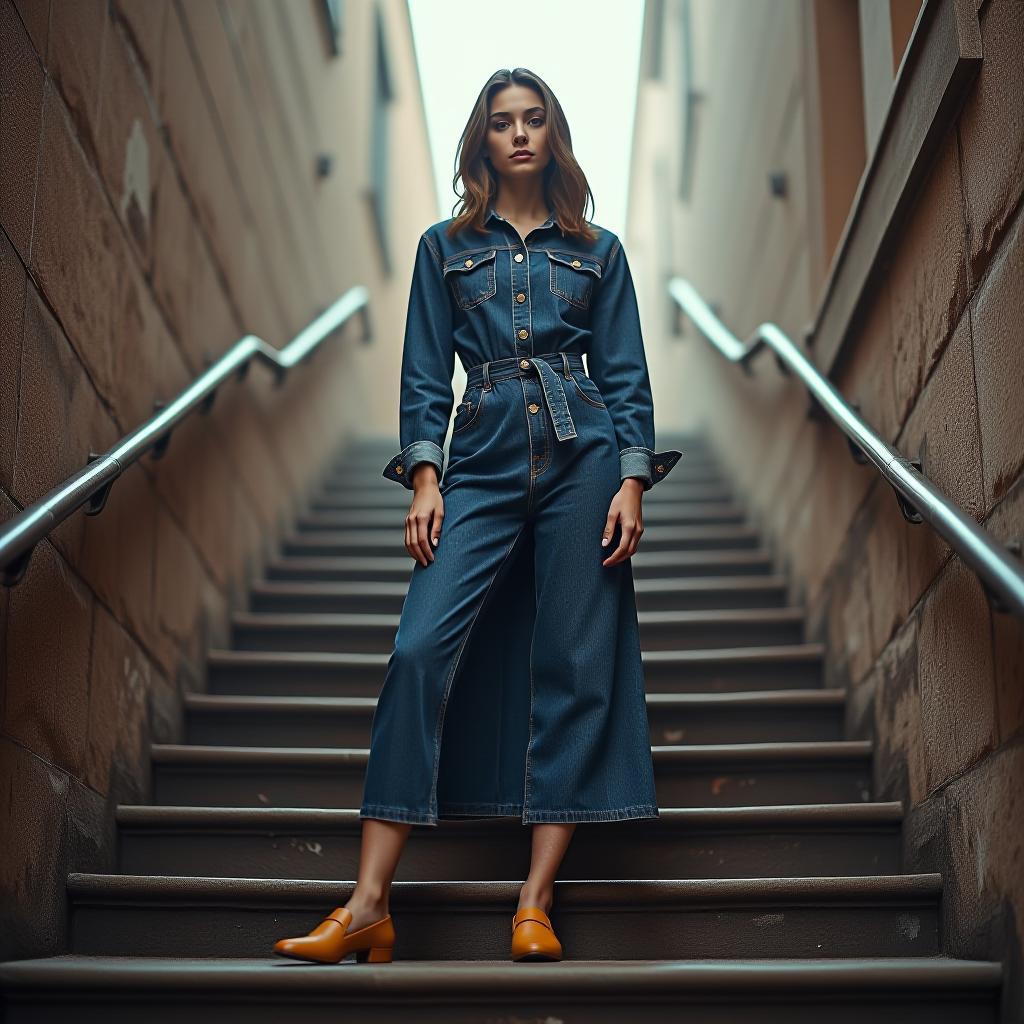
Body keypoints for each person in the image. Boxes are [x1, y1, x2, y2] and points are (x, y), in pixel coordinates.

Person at [273, 67, 683, 967]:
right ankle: (369, 901)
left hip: (585, 450)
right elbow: (425, 373)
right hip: (484, 454)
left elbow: (626, 376)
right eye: (503, 123)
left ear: (554, 134)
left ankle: (534, 902)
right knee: (420, 647)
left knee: (576, 662)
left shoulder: (599, 251)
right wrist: (427, 479)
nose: (521, 135)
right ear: (482, 141)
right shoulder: (443, 247)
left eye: (536, 120)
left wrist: (632, 480)